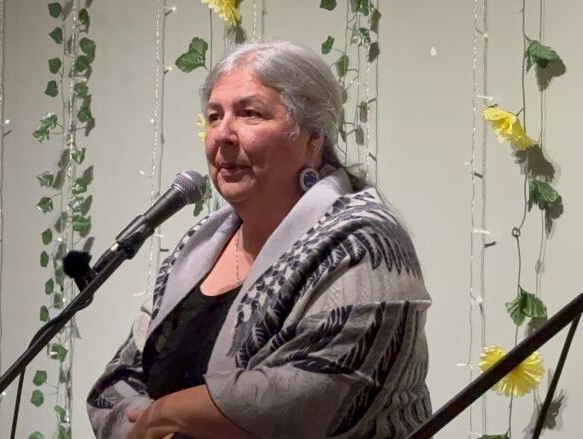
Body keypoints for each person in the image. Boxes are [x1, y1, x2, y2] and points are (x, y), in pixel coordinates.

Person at [87, 40, 432, 439]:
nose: (223, 135)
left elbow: (313, 392)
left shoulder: (367, 241)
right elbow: (115, 383)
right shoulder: (197, 246)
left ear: (313, 136)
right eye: (214, 117)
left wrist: (170, 412)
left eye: (250, 114)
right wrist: (142, 429)